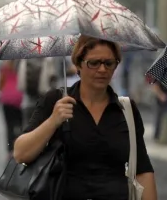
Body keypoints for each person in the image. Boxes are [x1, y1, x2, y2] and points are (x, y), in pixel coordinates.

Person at [13, 35, 157, 200]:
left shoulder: (127, 109)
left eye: (109, 63)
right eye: (94, 63)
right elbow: (20, 153)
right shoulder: (56, 101)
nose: (102, 69)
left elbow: (143, 169)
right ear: (78, 64)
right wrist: (53, 121)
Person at [0, 60, 23, 158]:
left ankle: (10, 150)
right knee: (20, 124)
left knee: (9, 125)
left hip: (6, 98)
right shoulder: (21, 65)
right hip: (19, 98)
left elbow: (0, 83)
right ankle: (20, 147)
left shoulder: (4, 67)